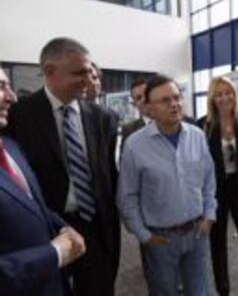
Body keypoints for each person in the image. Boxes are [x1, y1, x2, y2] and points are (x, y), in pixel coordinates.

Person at [5, 37, 120, 296]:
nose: (88, 78)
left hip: (95, 227)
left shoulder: (103, 117)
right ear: (49, 72)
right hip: (46, 229)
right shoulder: (20, 115)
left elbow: (109, 175)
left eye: (90, 71)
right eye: (79, 72)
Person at [117, 74, 217, 295]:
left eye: (176, 97)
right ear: (149, 108)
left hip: (197, 232)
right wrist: (144, 235)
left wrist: (209, 216)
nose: (174, 104)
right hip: (160, 239)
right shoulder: (135, 145)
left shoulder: (197, 136)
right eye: (165, 100)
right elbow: (127, 197)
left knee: (199, 291)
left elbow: (208, 180)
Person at [0, 67, 86, 296]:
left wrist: (63, 227)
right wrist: (55, 253)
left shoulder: (11, 147)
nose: (12, 97)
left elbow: (33, 206)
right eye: (1, 87)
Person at [198, 76, 238, 296]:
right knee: (218, 244)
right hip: (216, 190)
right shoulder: (204, 124)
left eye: (228, 92)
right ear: (213, 98)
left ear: (234, 94)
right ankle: (223, 291)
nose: (224, 98)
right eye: (219, 94)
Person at [120, 77, 148, 148]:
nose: (144, 100)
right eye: (139, 98)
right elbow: (124, 158)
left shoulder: (166, 123)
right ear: (134, 103)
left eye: (146, 95)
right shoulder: (129, 130)